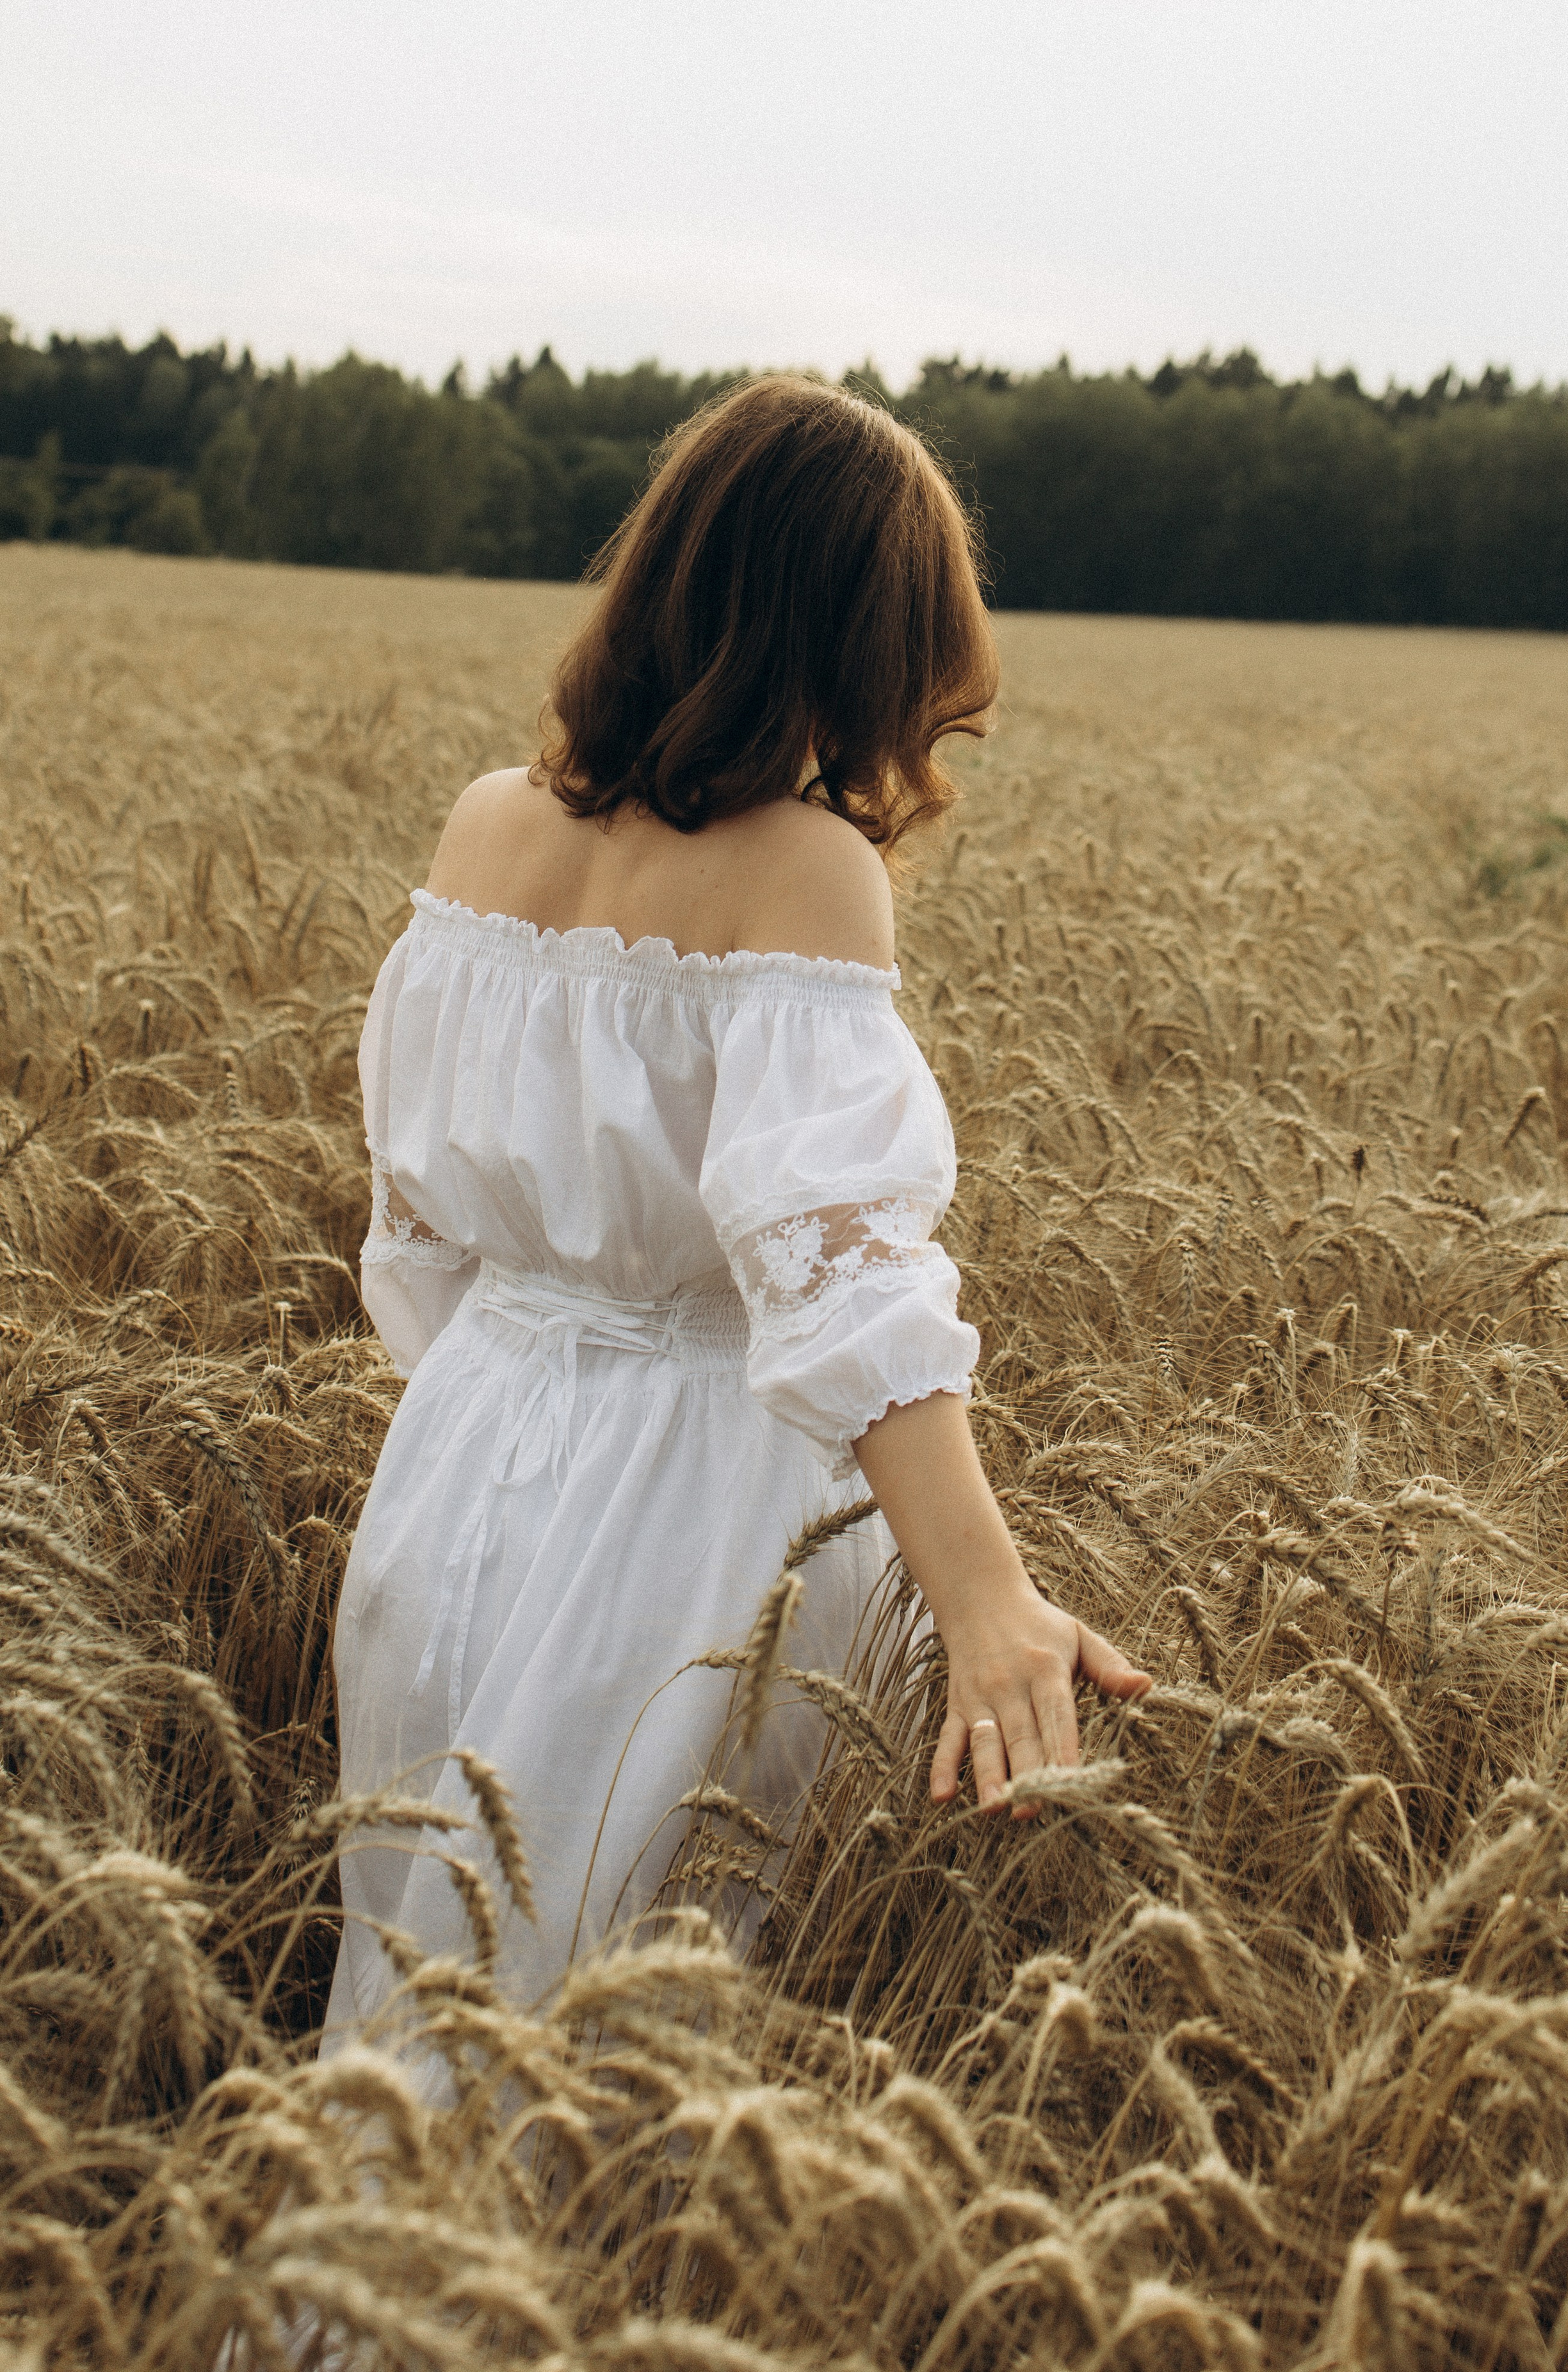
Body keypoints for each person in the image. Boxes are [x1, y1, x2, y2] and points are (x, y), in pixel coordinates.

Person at [323, 375, 1149, 2040]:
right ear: (852, 639)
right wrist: (988, 1596)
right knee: (609, 2040)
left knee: (425, 1996)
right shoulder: (804, 864)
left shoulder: (485, 828)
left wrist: (526, 1402)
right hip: (692, 1515)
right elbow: (840, 1276)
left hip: (459, 1468)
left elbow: (419, 1224)